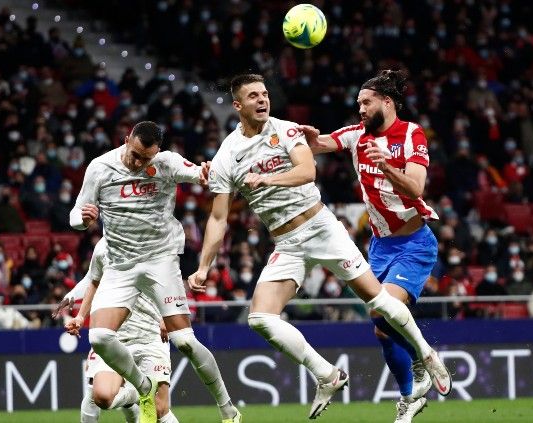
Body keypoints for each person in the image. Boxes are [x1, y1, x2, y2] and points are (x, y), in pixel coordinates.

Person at [189, 73, 451, 420]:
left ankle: (426, 356)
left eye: (265, 93)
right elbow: (219, 218)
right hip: (294, 241)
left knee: (378, 306)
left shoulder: (286, 129)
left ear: (386, 102)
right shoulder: (228, 155)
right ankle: (327, 374)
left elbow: (308, 170)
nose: (263, 100)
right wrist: (204, 266)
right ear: (237, 105)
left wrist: (271, 174)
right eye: (254, 96)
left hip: (332, 230)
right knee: (260, 318)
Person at [69, 121, 240, 423]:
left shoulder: (166, 163)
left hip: (160, 261)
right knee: (98, 336)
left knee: (185, 341)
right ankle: (143, 388)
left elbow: (199, 174)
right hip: (121, 264)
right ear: (126, 140)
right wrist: (82, 219)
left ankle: (228, 410)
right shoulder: (100, 167)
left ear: (157, 152)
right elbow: (77, 213)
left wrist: (205, 172)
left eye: (146, 158)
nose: (139, 163)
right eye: (135, 155)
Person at [300, 69, 440, 422]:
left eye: (366, 102)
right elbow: (322, 144)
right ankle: (410, 397)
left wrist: (388, 168)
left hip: (414, 243)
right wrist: (310, 139)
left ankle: (424, 359)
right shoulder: (354, 135)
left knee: (382, 312)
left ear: (387, 102)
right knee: (381, 327)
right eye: (358, 103)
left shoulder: (411, 134)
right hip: (379, 247)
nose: (359, 108)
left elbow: (417, 188)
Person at [54, 238, 175, 423]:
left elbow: (170, 280)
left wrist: (168, 315)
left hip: (148, 332)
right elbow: (92, 280)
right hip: (112, 331)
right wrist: (75, 305)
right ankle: (133, 397)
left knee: (159, 410)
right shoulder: (103, 246)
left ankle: (134, 395)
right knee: (100, 396)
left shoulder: (154, 239)